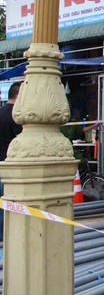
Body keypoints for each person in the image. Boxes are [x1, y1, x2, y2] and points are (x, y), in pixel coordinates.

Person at [0, 81, 23, 240]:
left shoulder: (1, 112)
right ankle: (6, 237)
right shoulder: (16, 116)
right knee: (8, 205)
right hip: (10, 167)